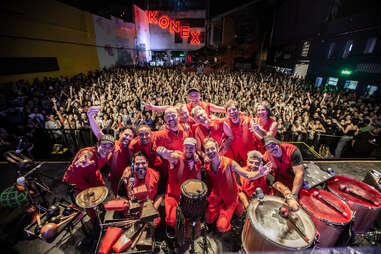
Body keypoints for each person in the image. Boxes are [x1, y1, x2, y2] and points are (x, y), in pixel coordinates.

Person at [203, 138, 259, 233]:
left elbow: (248, 175)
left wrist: (260, 172)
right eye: (207, 150)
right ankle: (221, 212)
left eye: (212, 148)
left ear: (217, 149)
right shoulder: (207, 165)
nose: (210, 151)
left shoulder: (229, 163)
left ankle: (231, 217)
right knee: (208, 219)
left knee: (221, 226)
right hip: (216, 196)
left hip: (230, 198)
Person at [62, 134, 114, 218]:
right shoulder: (90, 152)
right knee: (89, 199)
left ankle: (99, 208)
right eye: (104, 146)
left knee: (100, 190)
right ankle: (93, 218)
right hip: (78, 177)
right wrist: (83, 159)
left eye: (109, 147)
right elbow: (85, 154)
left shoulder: (108, 153)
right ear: (98, 145)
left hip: (92, 173)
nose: (106, 149)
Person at [87, 106, 135, 196]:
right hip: (115, 179)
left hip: (129, 179)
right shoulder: (112, 144)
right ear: (120, 134)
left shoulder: (133, 148)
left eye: (130, 136)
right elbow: (98, 133)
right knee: (118, 199)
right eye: (126, 134)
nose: (127, 137)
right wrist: (90, 116)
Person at [156, 138, 202, 230]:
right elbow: (167, 155)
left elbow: (198, 179)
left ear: (195, 149)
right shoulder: (177, 158)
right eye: (186, 147)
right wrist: (162, 151)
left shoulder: (197, 162)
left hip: (188, 198)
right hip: (173, 196)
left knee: (193, 223)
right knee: (173, 220)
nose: (189, 150)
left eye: (191, 147)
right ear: (183, 148)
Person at [118, 152, 163, 226]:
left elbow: (160, 194)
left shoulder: (156, 176)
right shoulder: (126, 177)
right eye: (137, 164)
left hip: (150, 209)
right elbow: (121, 195)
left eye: (143, 163)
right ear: (133, 164)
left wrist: (153, 210)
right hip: (132, 212)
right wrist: (129, 207)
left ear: (147, 163)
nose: (141, 166)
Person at [262, 136, 303, 211]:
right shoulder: (266, 158)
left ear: (279, 143)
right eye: (268, 147)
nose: (272, 148)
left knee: (297, 205)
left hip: (294, 179)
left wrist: (293, 196)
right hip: (280, 180)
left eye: (273, 145)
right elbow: (270, 178)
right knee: (278, 206)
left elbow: (299, 173)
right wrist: (285, 191)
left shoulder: (292, 150)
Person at [223, 100, 262, 164]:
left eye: (234, 109)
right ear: (227, 113)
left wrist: (257, 129)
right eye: (229, 111)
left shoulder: (248, 120)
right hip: (235, 154)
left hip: (249, 153)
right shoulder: (225, 123)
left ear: (238, 109)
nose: (232, 112)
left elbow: (257, 129)